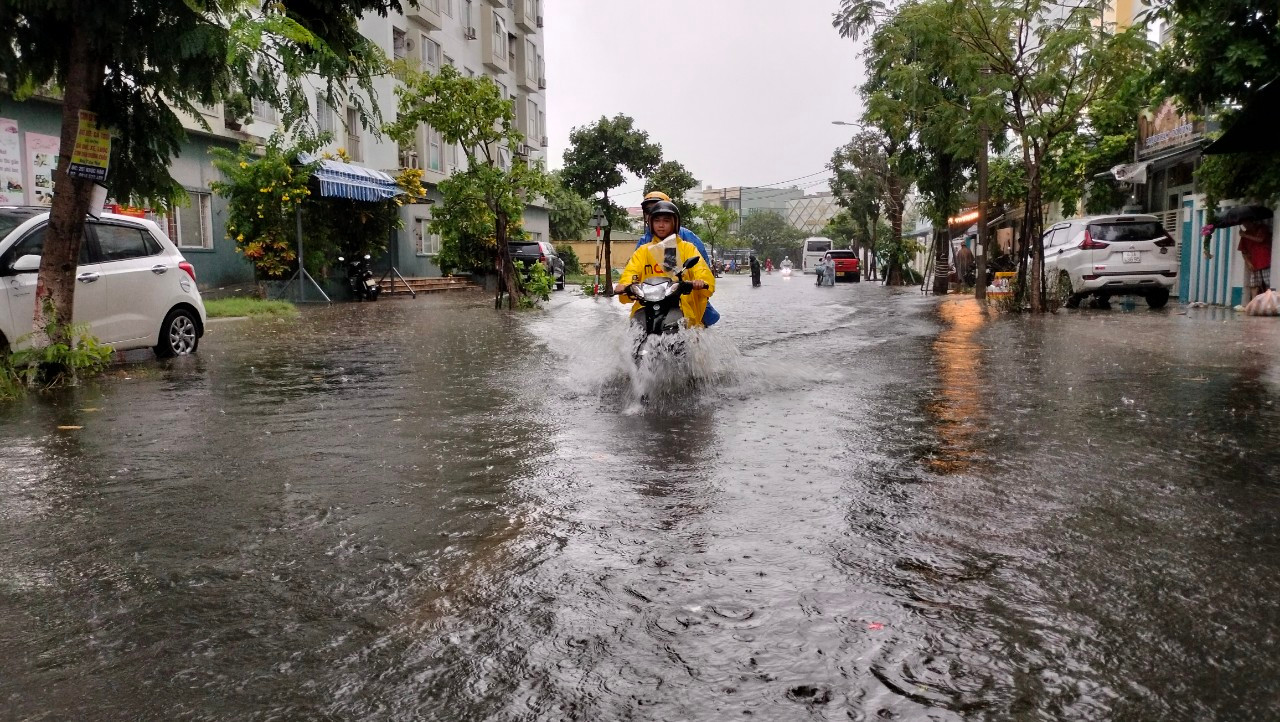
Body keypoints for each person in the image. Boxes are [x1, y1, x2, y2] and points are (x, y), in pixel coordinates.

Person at [614, 201, 715, 327]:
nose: (661, 225)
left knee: (688, 334)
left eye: (666, 221)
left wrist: (700, 281)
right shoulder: (643, 251)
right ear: (651, 223)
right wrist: (624, 286)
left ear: (675, 223)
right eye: (657, 221)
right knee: (634, 333)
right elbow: (631, 271)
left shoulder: (687, 248)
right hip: (646, 305)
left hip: (678, 305)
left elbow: (701, 270)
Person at [1239, 220, 1273, 301]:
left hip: (1265, 260)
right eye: (1244, 223)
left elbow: (1260, 239)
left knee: (1268, 282)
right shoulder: (1245, 234)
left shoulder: (1262, 228)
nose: (1245, 225)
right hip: (1254, 262)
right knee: (1254, 284)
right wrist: (1248, 262)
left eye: (1247, 222)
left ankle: (1269, 301)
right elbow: (1244, 251)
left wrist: (1245, 235)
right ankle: (1254, 301)